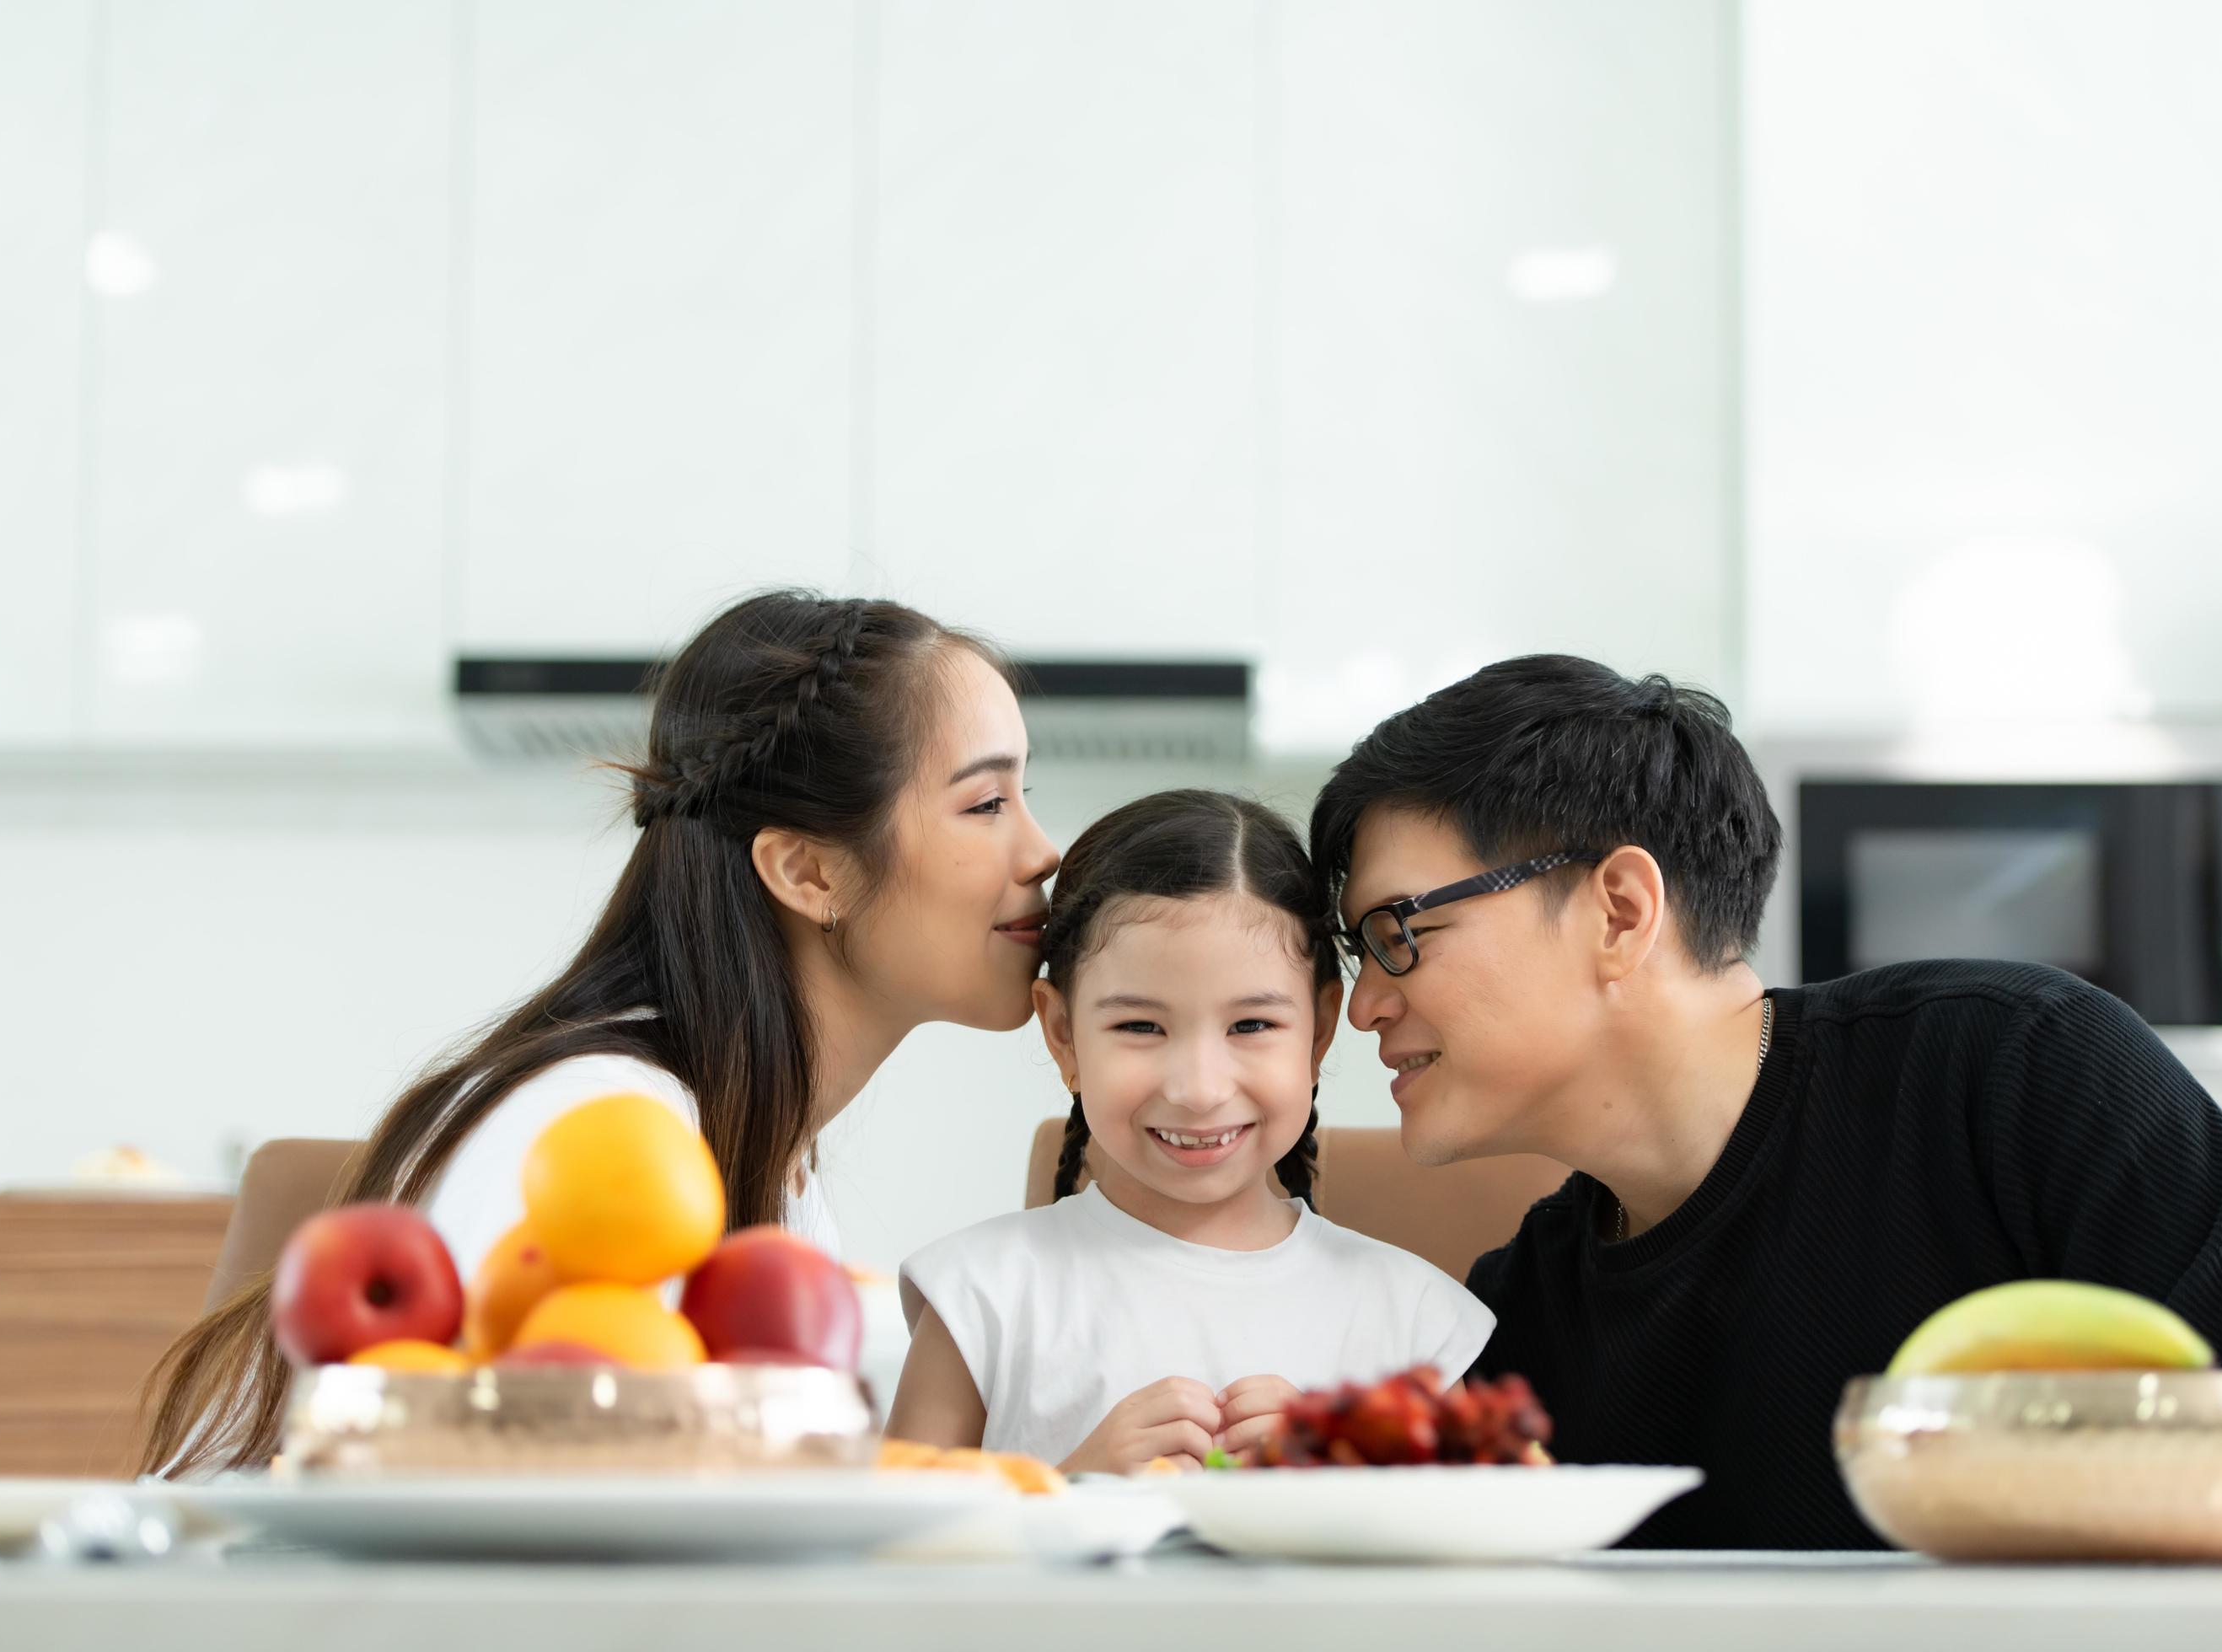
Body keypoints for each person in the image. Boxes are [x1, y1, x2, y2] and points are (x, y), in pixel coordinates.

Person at [1307, 655, 2222, 1548]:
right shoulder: (1538, 1303)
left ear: (1620, 912)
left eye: (1399, 931)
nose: (1365, 1007)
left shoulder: (2012, 1067)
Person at [141, 590, 1060, 1475]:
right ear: (808, 872)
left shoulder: (759, 1152)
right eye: (986, 804)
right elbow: (504, 1492)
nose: (1043, 850)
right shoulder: (597, 1129)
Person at [888, 791, 1491, 1474]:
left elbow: (1470, 1566)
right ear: (1063, 1034)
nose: (1199, 1089)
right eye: (1140, 1027)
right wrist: (1069, 1488)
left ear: (1319, 1030)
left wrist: (1342, 1493)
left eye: (1251, 1026)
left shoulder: (1412, 1320)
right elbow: (892, 1561)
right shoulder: (979, 1299)